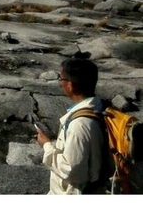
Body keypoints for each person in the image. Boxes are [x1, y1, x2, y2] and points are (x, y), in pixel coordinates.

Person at [37, 58, 104, 194]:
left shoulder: (79, 125)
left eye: (61, 79)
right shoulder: (99, 107)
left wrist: (46, 145)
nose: (60, 83)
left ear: (70, 85)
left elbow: (71, 170)